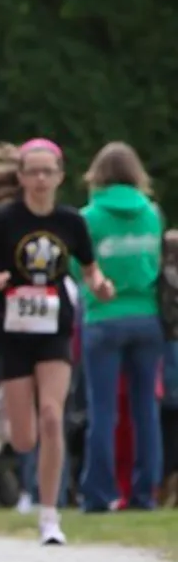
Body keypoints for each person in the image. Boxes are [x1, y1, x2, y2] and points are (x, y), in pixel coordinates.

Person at [0, 140, 113, 544]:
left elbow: (90, 270)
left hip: (54, 328)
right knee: (24, 438)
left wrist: (101, 285)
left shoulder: (71, 222)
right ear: (22, 177)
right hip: (11, 332)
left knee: (52, 416)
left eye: (48, 172)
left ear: (60, 177)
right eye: (34, 172)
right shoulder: (2, 221)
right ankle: (7, 414)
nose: (41, 179)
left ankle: (49, 516)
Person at [78, 142, 167, 511]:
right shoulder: (152, 213)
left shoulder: (88, 218)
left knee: (103, 411)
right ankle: (144, 493)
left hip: (103, 316)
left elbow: (78, 268)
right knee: (146, 410)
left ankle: (98, 493)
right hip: (147, 315)